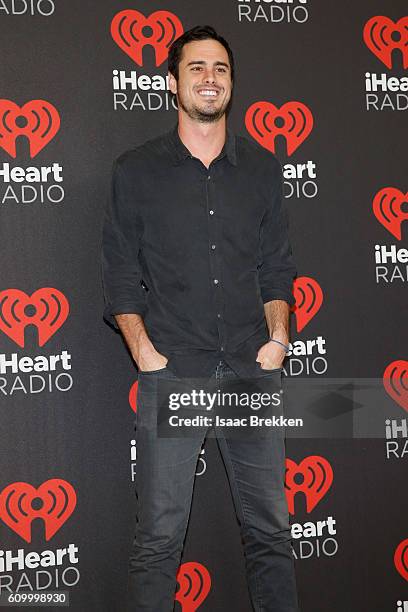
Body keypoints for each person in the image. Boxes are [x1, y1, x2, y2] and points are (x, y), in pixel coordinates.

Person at [101, 24, 299, 612]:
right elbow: (118, 274)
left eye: (219, 69)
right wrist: (144, 353)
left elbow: (276, 269)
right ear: (171, 82)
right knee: (160, 538)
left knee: (271, 535)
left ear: (231, 83)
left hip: (249, 370)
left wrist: (279, 337)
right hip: (173, 371)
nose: (209, 78)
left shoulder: (262, 171)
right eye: (196, 68)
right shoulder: (136, 171)